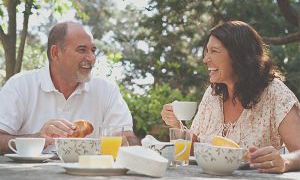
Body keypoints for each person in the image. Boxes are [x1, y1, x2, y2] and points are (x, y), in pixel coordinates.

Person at [161, 21, 300, 173]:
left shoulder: (275, 94)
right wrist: (177, 125)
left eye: (214, 51)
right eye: (207, 51)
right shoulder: (212, 94)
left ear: (238, 56)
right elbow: (195, 149)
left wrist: (284, 161)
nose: (205, 59)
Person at [0, 21, 140, 155]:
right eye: (82, 50)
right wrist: (37, 139)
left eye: (93, 50)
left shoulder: (106, 90)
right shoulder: (20, 85)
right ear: (55, 53)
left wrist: (126, 143)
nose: (91, 58)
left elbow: (129, 138)